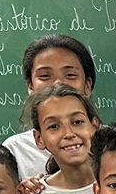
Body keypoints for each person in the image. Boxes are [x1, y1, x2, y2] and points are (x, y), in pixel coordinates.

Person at [13, 83, 111, 194]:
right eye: (54, 126)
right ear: (39, 139)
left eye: (77, 122)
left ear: (94, 126)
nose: (68, 133)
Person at [5, 35, 97, 180]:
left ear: (87, 85)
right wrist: (18, 191)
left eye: (70, 75)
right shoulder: (15, 150)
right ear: (30, 86)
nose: (58, 83)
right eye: (45, 76)